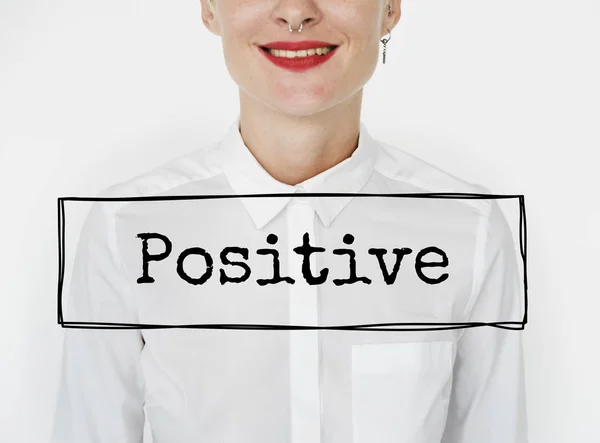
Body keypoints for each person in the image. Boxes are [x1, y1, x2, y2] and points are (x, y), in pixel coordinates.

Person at [51, 0, 529, 442]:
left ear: (390, 8)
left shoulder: (470, 229)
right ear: (209, 8)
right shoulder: (126, 228)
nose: (297, 11)